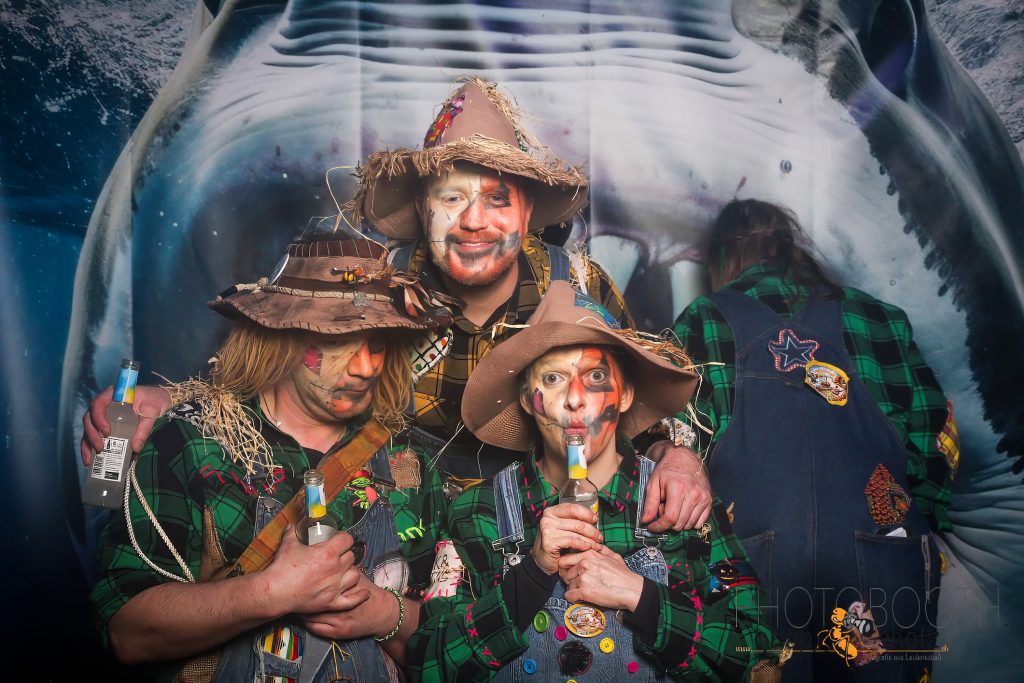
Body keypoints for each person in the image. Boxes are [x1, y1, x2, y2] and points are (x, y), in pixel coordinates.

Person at [82, 77, 713, 535]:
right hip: (405, 528)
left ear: (527, 212)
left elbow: (641, 403)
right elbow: (281, 378)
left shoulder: (579, 283)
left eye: (497, 199)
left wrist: (679, 457)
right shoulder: (373, 285)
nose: (473, 222)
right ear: (420, 208)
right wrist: (176, 400)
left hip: (542, 527)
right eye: (451, 198)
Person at [90, 236, 453, 681]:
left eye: (376, 344)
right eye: (339, 341)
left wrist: (385, 613)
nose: (365, 368)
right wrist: (271, 592)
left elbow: (453, 645)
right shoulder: (192, 442)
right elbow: (127, 633)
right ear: (283, 336)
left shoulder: (409, 462)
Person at [408, 281, 785, 682]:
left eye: (596, 376)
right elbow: (428, 668)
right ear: (527, 400)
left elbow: (761, 663)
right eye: (553, 378)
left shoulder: (682, 505)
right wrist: (530, 578)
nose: (574, 399)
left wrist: (643, 598)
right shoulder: (477, 512)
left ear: (624, 395)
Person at [672, 199, 956, 681]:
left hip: (752, 567)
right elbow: (936, 442)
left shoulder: (703, 319)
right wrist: (913, 526)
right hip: (881, 561)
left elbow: (679, 444)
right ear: (791, 247)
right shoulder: (878, 317)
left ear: (721, 259)